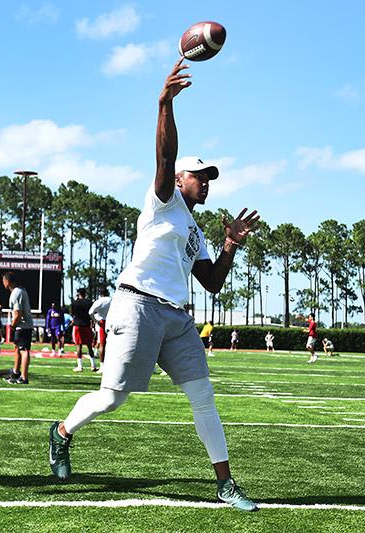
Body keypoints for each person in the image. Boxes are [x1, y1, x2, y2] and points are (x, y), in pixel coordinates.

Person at [47, 59, 260, 512]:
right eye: (199, 176)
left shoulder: (196, 231)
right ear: (180, 179)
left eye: (209, 179)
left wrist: (229, 245)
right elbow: (164, 156)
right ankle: (62, 432)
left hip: (177, 318)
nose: (205, 183)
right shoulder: (162, 202)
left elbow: (213, 283)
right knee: (112, 397)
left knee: (203, 397)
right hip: (137, 306)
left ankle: (225, 483)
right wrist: (164, 105)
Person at [3, 271, 33, 385]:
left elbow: (17, 314)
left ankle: (24, 377)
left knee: (23, 350)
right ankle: (16, 372)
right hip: (22, 326)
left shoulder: (16, 293)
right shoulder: (19, 291)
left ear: (7, 281)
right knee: (17, 348)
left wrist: (12, 326)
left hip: (23, 326)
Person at [71, 288, 98, 372]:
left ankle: (80, 366)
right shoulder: (90, 302)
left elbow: (73, 313)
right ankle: (93, 365)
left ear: (78, 293)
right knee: (89, 345)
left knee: (78, 345)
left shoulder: (74, 303)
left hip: (78, 325)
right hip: (87, 325)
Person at [89, 287, 113, 370]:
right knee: (112, 345)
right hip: (112, 322)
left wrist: (96, 321)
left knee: (102, 344)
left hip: (102, 322)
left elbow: (90, 312)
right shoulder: (112, 300)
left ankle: (102, 366)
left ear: (100, 294)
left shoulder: (99, 301)